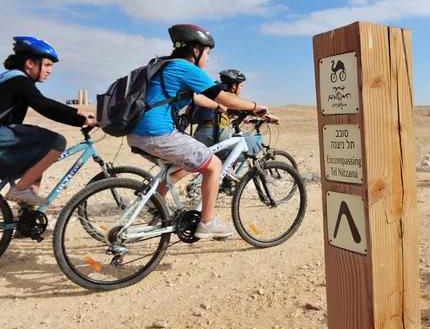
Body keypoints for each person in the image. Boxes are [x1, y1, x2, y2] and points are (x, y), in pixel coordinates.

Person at [127, 24, 274, 239]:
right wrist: (255, 106)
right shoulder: (186, 68)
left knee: (178, 166)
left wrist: (217, 107)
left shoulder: (161, 66)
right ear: (196, 50)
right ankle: (207, 223)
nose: (208, 59)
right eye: (207, 53)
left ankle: (153, 203)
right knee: (214, 164)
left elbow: (195, 97)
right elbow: (224, 97)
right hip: (157, 133)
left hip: (136, 134)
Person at [0, 36, 96, 206]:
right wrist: (80, 119)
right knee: (56, 141)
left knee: (37, 161)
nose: (50, 71)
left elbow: (44, 102)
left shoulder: (11, 80)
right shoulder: (18, 80)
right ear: (30, 63)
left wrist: (76, 112)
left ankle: (26, 222)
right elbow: (44, 105)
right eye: (47, 65)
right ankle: (20, 190)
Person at [192, 69, 264, 161]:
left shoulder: (214, 94)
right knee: (254, 146)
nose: (242, 88)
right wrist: (267, 115)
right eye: (241, 85)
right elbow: (244, 108)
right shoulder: (228, 96)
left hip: (200, 134)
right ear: (234, 86)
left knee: (217, 161)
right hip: (215, 133)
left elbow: (226, 113)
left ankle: (222, 171)